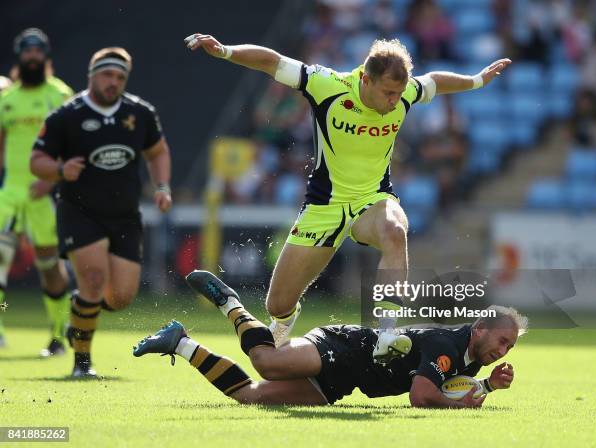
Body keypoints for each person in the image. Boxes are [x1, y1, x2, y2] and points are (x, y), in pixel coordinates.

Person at [183, 33, 512, 361]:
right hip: (325, 206)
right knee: (277, 304)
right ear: (366, 79)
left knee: (396, 233)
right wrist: (226, 51)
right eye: (387, 93)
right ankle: (283, 324)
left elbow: (435, 82)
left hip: (373, 199)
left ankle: (387, 333)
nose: (395, 101)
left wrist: (477, 80)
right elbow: (272, 61)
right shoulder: (327, 85)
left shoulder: (405, 92)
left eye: (399, 94)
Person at [134, 271, 525, 407]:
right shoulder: (446, 344)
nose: (503, 350)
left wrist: (488, 384)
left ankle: (180, 343)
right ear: (480, 328)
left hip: (347, 380)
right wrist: (461, 408)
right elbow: (423, 395)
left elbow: (451, 385)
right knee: (267, 363)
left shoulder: (470, 356)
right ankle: (231, 303)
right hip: (346, 346)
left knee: (250, 396)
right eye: (503, 341)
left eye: (509, 346)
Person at [30, 47, 173, 377]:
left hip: (124, 214)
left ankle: (80, 314)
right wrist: (60, 168)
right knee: (93, 281)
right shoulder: (66, 116)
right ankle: (82, 364)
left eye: (121, 77)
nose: (114, 82)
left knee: (120, 297)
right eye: (108, 75)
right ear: (92, 75)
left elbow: (158, 151)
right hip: (79, 211)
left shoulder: (140, 113)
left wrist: (162, 187)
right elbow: (36, 162)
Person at [0, 28, 73, 355]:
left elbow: (74, 145)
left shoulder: (59, 95)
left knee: (49, 266)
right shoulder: (7, 99)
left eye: (37, 50)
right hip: (10, 191)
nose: (32, 55)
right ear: (20, 56)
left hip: (44, 193)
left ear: (45, 55)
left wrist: (53, 179)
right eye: (26, 51)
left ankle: (58, 336)